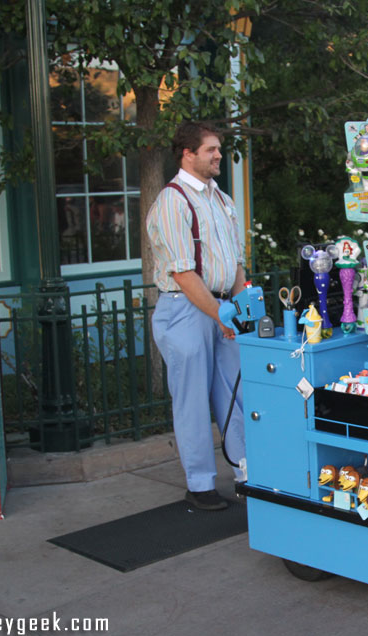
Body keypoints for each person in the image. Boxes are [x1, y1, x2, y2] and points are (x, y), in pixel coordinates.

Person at [146, 121, 247, 512]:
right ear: (187, 154)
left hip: (221, 308)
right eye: (211, 150)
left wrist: (241, 311)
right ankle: (200, 484)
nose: (218, 155)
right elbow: (183, 274)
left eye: (218, 149)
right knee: (191, 400)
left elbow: (236, 263)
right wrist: (221, 313)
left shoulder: (221, 199)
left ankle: (246, 472)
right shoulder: (172, 201)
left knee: (233, 393)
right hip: (186, 311)